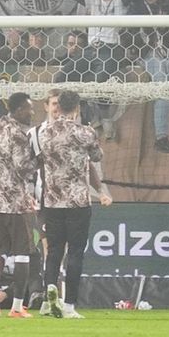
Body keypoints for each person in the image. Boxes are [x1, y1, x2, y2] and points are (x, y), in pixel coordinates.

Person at [33, 89, 109, 319]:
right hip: (77, 201)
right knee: (75, 252)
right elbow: (97, 157)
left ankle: (47, 300)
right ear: (76, 108)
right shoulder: (84, 132)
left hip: (52, 200)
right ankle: (69, 305)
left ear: (58, 106)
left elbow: (37, 160)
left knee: (53, 252)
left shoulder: (44, 132)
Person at [0, 92, 37, 318]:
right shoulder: (18, 134)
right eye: (29, 108)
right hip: (14, 201)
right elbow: (22, 168)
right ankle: (16, 307)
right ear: (19, 109)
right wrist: (37, 161)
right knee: (23, 254)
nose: (32, 113)